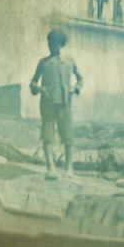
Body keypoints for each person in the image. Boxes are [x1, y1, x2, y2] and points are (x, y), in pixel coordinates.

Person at [30, 28, 83, 179]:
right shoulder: (43, 63)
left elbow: (80, 79)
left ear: (61, 44)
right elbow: (33, 83)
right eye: (50, 43)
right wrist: (39, 89)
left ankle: (69, 168)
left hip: (65, 104)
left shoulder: (70, 61)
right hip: (47, 104)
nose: (52, 47)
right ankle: (51, 168)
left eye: (55, 44)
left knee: (68, 137)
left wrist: (76, 88)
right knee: (47, 137)